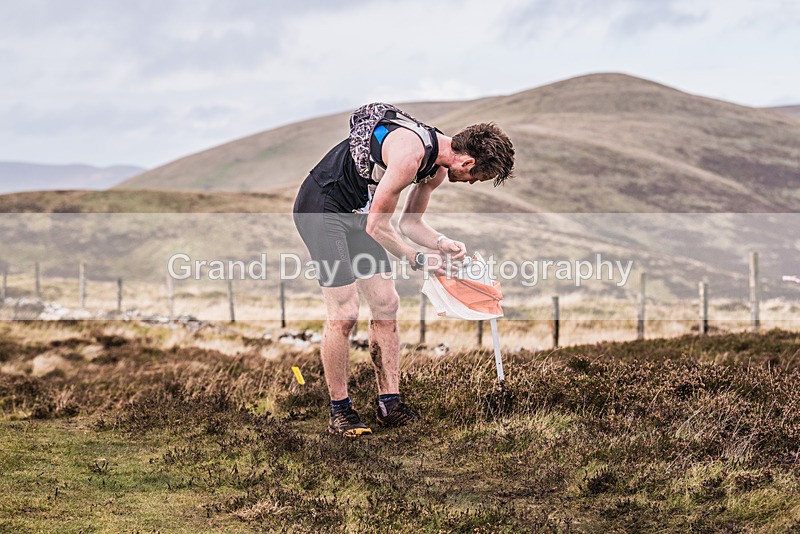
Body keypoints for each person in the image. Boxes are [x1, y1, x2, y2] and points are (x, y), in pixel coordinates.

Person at [293, 103, 515, 437]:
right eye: (475, 178)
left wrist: (442, 243)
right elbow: (379, 228)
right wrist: (419, 259)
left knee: (386, 303)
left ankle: (389, 405)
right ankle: (341, 411)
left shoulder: (436, 166)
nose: (470, 183)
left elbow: (410, 224)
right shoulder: (411, 154)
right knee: (345, 311)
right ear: (467, 162)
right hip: (321, 208)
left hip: (358, 214)